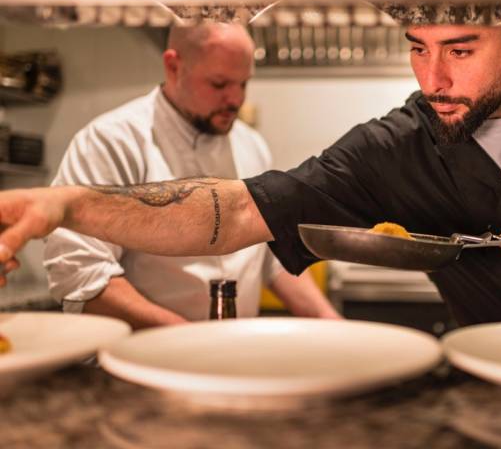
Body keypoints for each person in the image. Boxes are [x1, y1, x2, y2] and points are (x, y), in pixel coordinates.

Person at [1, 8, 501, 328]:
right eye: (417, 47)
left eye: (461, 50)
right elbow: (234, 210)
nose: (433, 76)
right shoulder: (394, 146)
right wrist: (70, 206)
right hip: (492, 382)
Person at [41, 22, 340, 328]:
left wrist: (328, 320)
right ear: (173, 66)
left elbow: (269, 258)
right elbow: (82, 273)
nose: (235, 100)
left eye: (244, 84)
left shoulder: (251, 145)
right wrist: (186, 341)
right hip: (141, 362)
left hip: (232, 357)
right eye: (219, 84)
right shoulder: (112, 141)